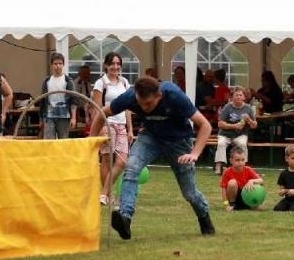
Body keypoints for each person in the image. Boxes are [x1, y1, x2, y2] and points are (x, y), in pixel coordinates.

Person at [88, 74, 215, 240]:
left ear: (159, 96)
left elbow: (205, 125)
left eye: (149, 103)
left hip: (178, 142)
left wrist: (195, 153)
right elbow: (102, 113)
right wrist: (91, 142)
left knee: (189, 193)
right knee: (131, 167)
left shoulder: (174, 95)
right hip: (150, 137)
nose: (145, 108)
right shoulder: (130, 96)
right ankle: (125, 218)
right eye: (141, 104)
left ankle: (204, 217)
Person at [92, 54, 132, 206]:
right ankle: (107, 197)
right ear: (106, 65)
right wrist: (100, 127)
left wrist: (130, 129)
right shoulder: (100, 83)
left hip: (121, 125)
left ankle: (104, 194)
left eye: (118, 63)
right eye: (112, 64)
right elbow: (96, 108)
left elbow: (128, 107)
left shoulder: (124, 82)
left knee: (122, 161)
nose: (115, 67)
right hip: (107, 124)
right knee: (107, 160)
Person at [214, 86, 258, 172]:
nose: (238, 97)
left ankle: (243, 166)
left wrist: (249, 120)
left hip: (240, 134)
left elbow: (254, 126)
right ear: (232, 97)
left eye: (240, 95)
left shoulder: (248, 108)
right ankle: (219, 166)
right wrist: (234, 126)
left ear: (244, 97)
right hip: (225, 134)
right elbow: (220, 124)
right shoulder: (227, 107)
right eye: (236, 95)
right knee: (221, 143)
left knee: (242, 143)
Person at [39, 52, 74, 140]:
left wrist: (74, 118)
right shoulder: (47, 81)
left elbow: (73, 100)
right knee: (48, 142)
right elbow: (42, 101)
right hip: (49, 116)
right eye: (55, 63)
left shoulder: (68, 81)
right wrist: (41, 119)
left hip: (64, 116)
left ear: (63, 65)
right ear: (51, 65)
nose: (58, 66)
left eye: (60, 63)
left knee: (63, 141)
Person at [219, 144, 265, 210]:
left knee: (257, 183)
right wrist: (226, 205)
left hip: (246, 196)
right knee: (232, 182)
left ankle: (253, 204)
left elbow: (261, 181)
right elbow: (223, 190)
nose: (240, 163)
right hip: (234, 197)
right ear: (231, 161)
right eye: (237, 160)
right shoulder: (227, 172)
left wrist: (251, 181)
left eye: (243, 160)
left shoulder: (248, 169)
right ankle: (232, 204)